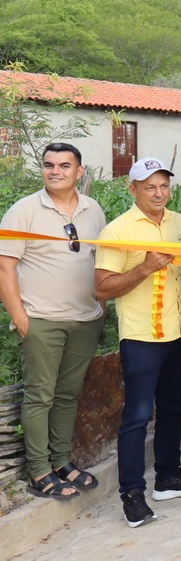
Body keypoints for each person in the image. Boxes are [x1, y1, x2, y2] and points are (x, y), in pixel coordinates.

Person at [0, 143, 106, 501]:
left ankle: (61, 462)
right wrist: (20, 317)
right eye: (48, 165)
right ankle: (39, 471)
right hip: (41, 320)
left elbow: (99, 260)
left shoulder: (93, 209)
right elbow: (5, 268)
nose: (55, 171)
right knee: (40, 397)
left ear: (79, 171)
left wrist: (100, 305)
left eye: (64, 165)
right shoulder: (24, 210)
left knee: (67, 394)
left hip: (84, 319)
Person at [94, 158, 181, 527]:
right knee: (136, 417)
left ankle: (168, 475)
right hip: (141, 337)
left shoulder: (180, 223)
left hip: (179, 333)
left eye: (163, 185)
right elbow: (102, 287)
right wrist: (144, 267)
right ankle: (132, 493)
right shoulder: (117, 231)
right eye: (149, 186)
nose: (158, 193)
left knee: (172, 408)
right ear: (132, 189)